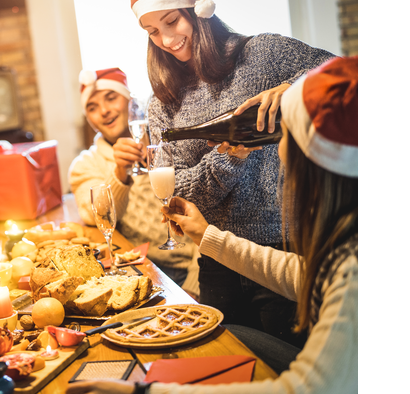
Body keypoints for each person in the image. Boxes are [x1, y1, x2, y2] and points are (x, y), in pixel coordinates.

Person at [66, 57, 357, 394]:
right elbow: (300, 274)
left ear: (316, 164)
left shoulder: (354, 270)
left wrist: (145, 391)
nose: (278, 153)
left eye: (286, 136)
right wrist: (205, 235)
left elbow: (303, 388)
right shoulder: (346, 250)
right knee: (228, 335)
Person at [124, 0, 335, 347]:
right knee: (226, 362)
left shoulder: (262, 54)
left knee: (286, 371)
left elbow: (339, 73)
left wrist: (291, 86)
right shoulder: (163, 102)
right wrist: (229, 158)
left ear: (197, 12)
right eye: (153, 31)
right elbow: (174, 191)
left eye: (172, 21)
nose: (167, 39)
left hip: (282, 253)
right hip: (215, 257)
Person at [68, 67, 199, 298]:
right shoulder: (86, 164)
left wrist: (194, 287)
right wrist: (119, 172)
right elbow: (95, 216)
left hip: (198, 265)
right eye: (92, 107)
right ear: (88, 118)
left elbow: (208, 210)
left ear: (130, 100)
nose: (105, 111)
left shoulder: (167, 143)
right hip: (144, 268)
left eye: (111, 98)